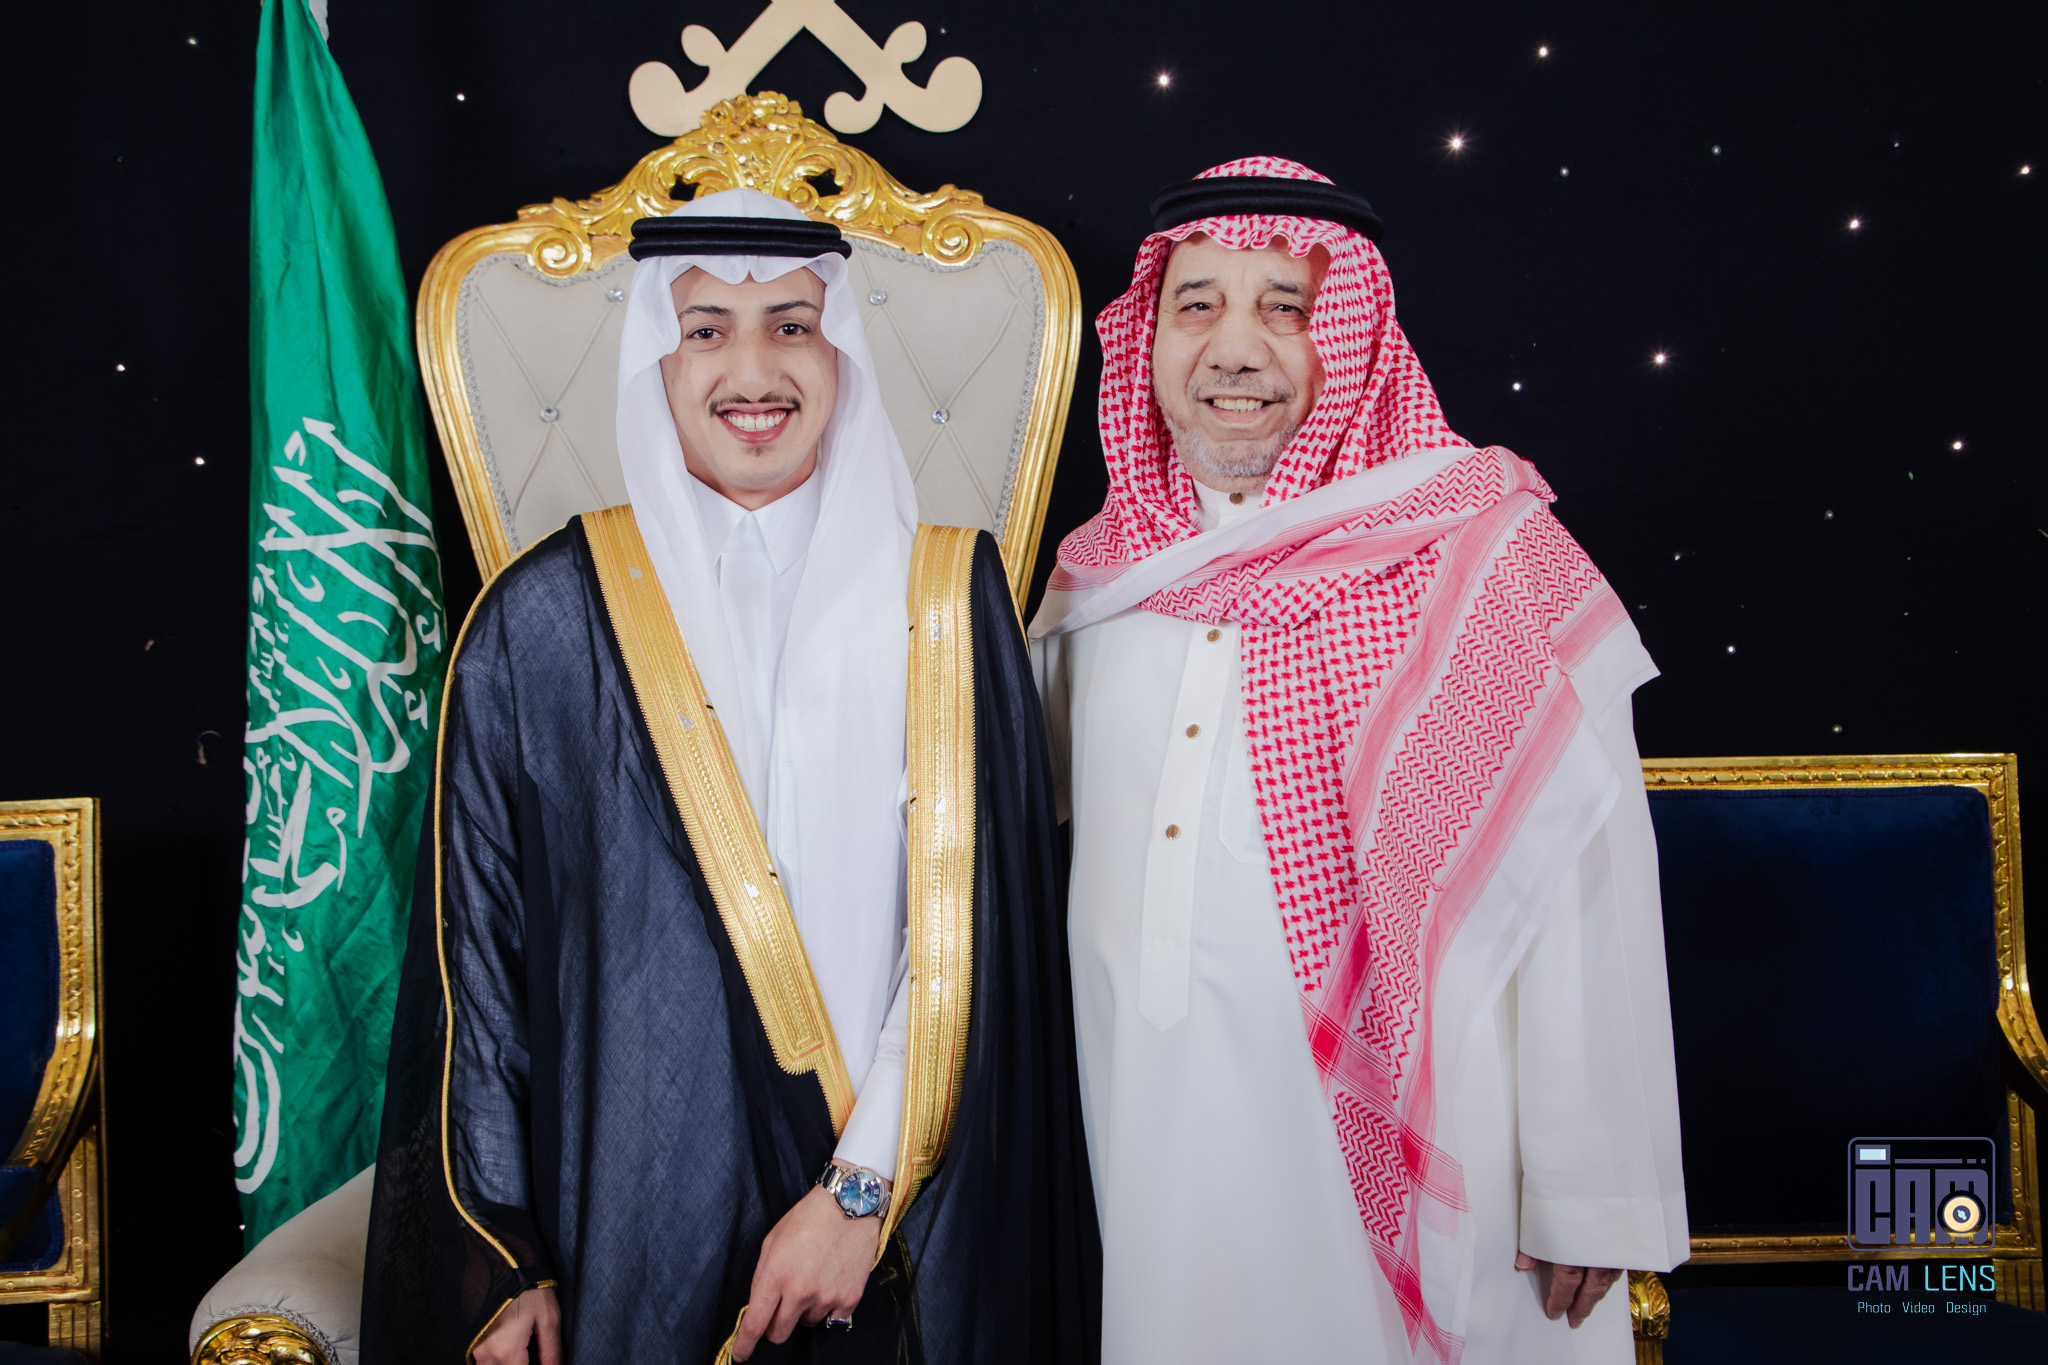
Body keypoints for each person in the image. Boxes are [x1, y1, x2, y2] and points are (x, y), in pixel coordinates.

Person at [362, 188, 1098, 1363]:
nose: (752, 369)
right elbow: (479, 970)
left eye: (791, 324)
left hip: (902, 1227)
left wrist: (857, 1194)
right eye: (705, 328)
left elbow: (981, 951)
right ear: (656, 359)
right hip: (628, 1226)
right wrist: (507, 1260)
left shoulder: (948, 603)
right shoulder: (538, 622)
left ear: (839, 347)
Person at [1031, 158, 1688, 1364]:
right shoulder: (1097, 582)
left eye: (1284, 306)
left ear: (1358, 337)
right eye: (1195, 305)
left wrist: (1587, 1184)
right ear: (1147, 340)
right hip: (1154, 1133)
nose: (1234, 349)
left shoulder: (1488, 561)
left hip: (1440, 1150)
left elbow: (1584, 881)